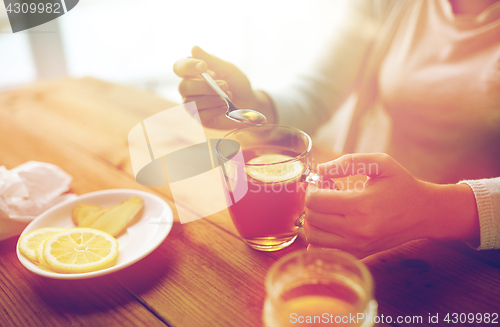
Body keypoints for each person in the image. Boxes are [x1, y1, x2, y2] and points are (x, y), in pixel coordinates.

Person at [173, 0, 500, 257]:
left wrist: (434, 210)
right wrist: (256, 106)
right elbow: (317, 94)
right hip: (364, 228)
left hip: (479, 261)